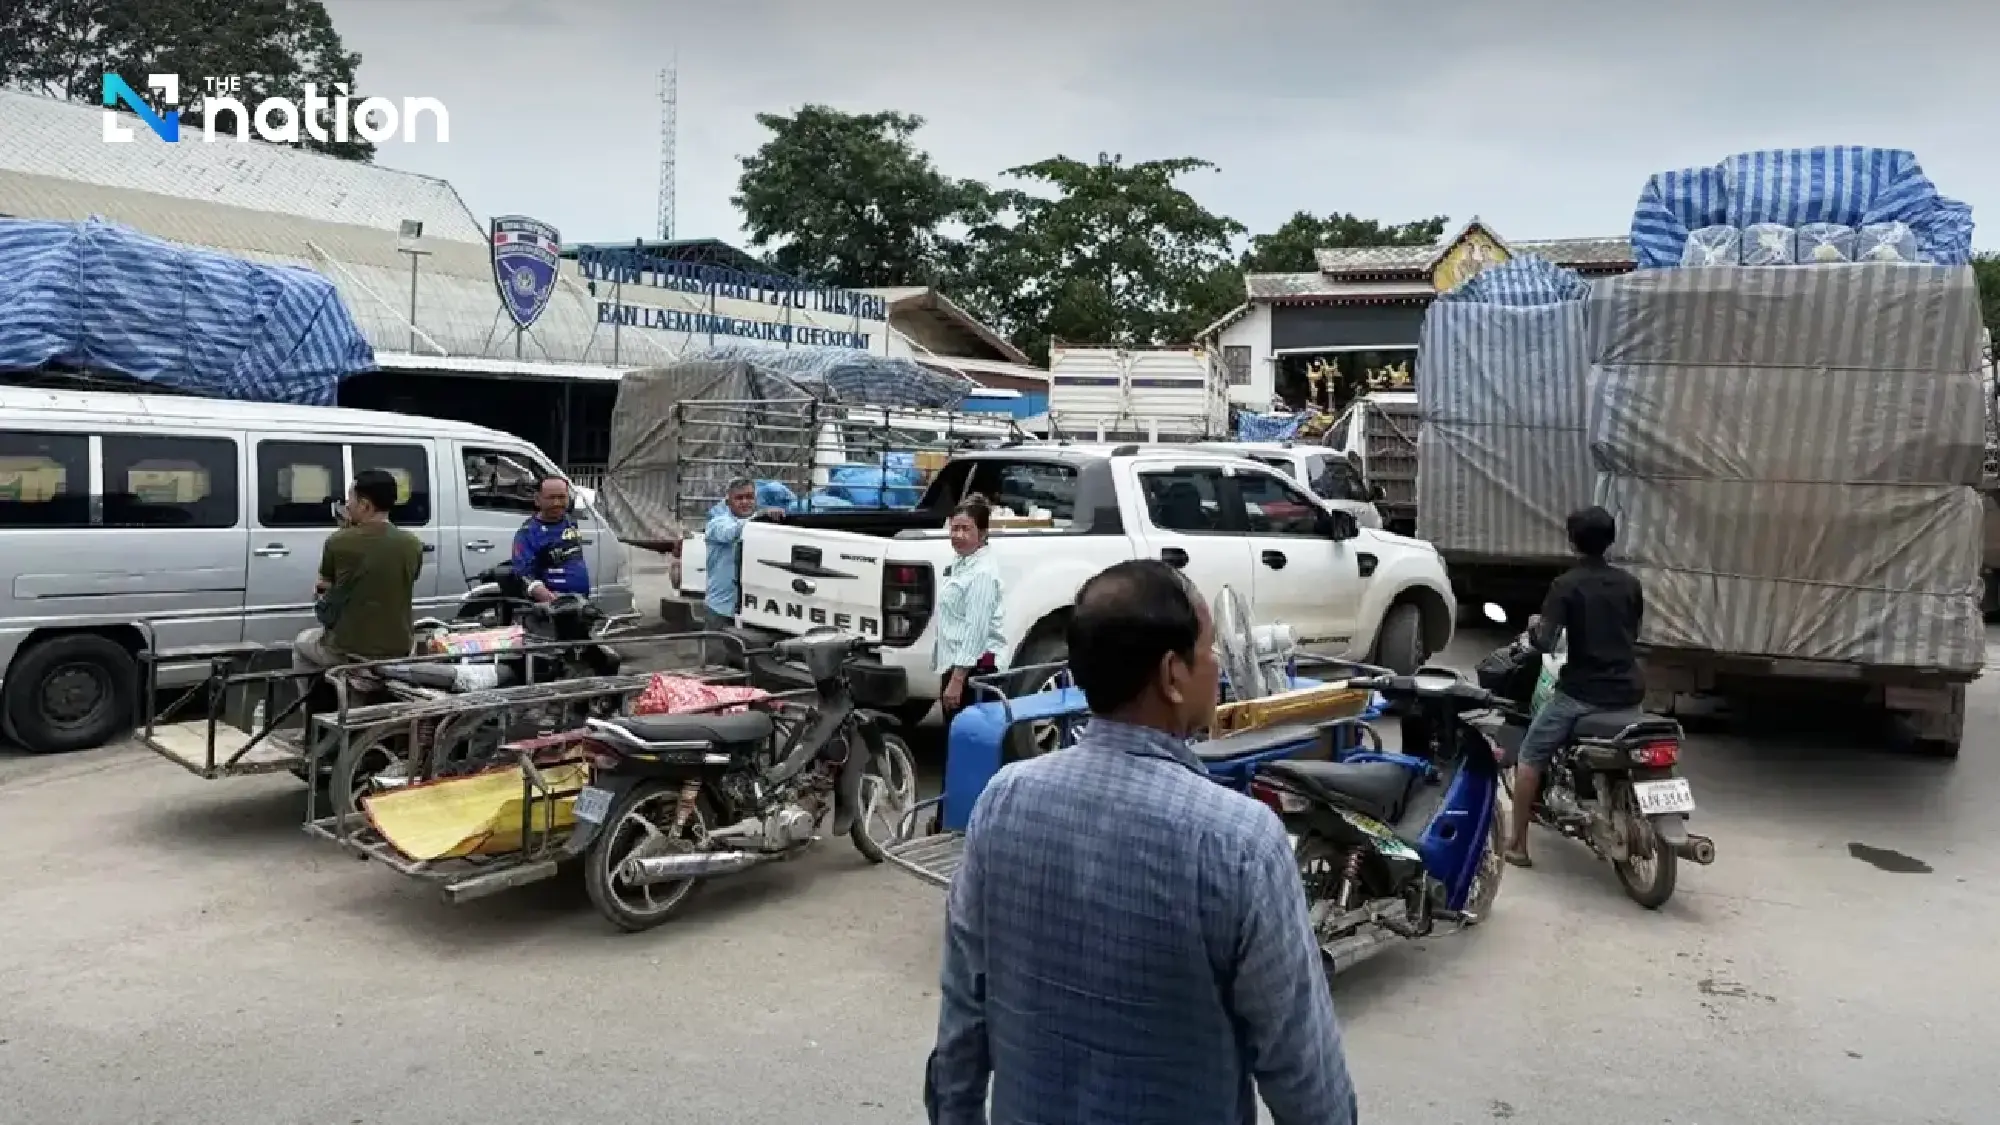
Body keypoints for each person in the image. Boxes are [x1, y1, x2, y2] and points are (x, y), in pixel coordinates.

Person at [925, 559, 1357, 1125]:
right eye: (1209, 651)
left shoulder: (1004, 802)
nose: (1219, 666)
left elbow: (963, 1017)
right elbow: (1303, 1073)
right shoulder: (1240, 842)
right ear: (1173, 675)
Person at [1506, 504, 1645, 868]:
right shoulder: (1630, 584)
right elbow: (1633, 633)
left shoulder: (1566, 585)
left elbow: (1546, 642)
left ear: (1572, 542)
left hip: (1582, 694)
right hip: (1629, 693)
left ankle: (1517, 844)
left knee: (1529, 756)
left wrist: (1536, 626)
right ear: (1611, 540)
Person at [294, 469, 426, 672]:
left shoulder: (338, 541)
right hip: (400, 649)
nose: (347, 504)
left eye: (350, 499)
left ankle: (309, 704)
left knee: (302, 643)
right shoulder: (413, 544)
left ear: (365, 505)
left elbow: (322, 587)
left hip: (348, 652)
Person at [933, 495, 1006, 719]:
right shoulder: (962, 561)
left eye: (966, 529)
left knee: (967, 739)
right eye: (954, 528)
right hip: (956, 665)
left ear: (982, 534)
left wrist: (957, 680)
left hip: (973, 673)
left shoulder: (981, 573)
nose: (957, 535)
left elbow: (976, 631)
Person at [702, 477, 785, 631]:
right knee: (717, 653)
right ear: (728, 502)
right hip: (721, 609)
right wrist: (760, 516)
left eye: (749, 497)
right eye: (739, 498)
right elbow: (731, 533)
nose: (745, 502)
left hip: (752, 610)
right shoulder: (718, 523)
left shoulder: (761, 526)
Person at [511, 475, 590, 603]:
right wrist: (547, 597)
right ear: (537, 500)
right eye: (551, 498)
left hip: (580, 603)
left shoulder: (570, 521)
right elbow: (523, 573)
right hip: (553, 608)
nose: (557, 503)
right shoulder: (527, 533)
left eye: (561, 497)